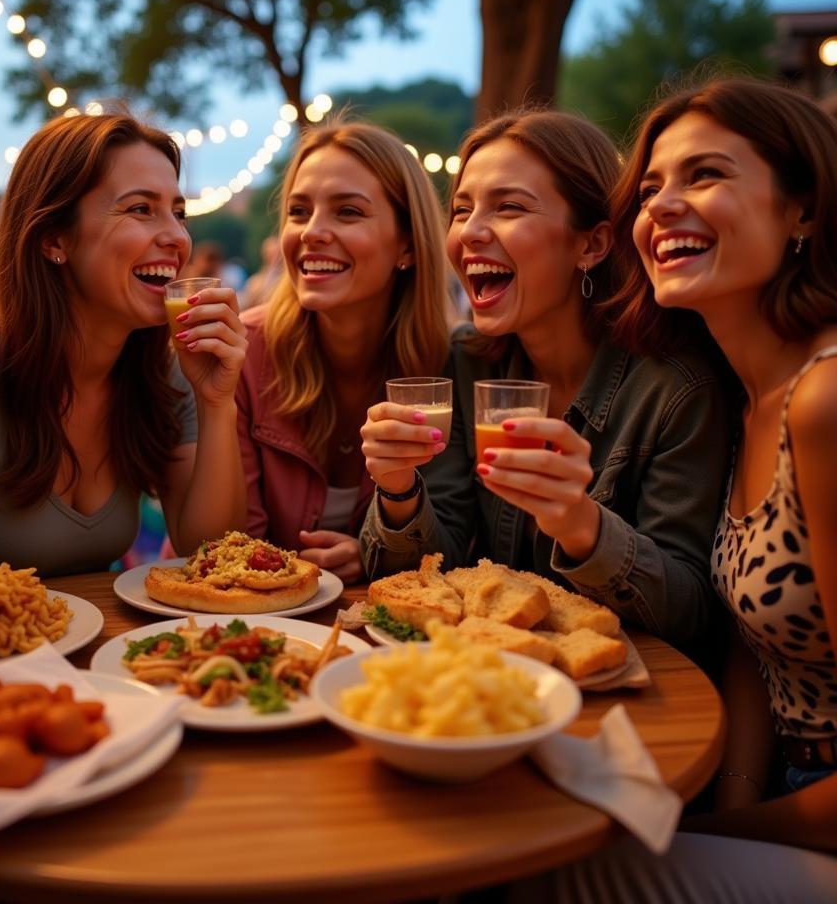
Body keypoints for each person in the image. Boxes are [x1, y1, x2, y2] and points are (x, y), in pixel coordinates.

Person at [506, 78, 837, 902]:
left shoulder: (825, 401)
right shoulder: (745, 390)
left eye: (706, 176)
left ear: (803, 210)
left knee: (549, 870)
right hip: (781, 788)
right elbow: (756, 649)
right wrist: (729, 793)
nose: (663, 208)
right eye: (650, 188)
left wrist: (703, 830)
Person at [360, 109, 730, 648]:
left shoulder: (675, 391)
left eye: (509, 207)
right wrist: (397, 491)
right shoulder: (464, 362)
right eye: (461, 210)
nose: (470, 233)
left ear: (592, 244)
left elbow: (692, 613)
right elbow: (422, 576)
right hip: (475, 683)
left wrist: (582, 525)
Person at [0, 113, 247, 581]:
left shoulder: (167, 372)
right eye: (139, 209)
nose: (177, 237)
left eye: (178, 212)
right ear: (54, 239)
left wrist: (217, 402)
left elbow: (212, 560)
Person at [237, 120, 450, 583]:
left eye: (347, 212)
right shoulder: (243, 354)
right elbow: (227, 544)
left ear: (408, 244)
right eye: (298, 211)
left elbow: (454, 545)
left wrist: (375, 552)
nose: (312, 232)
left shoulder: (447, 366)